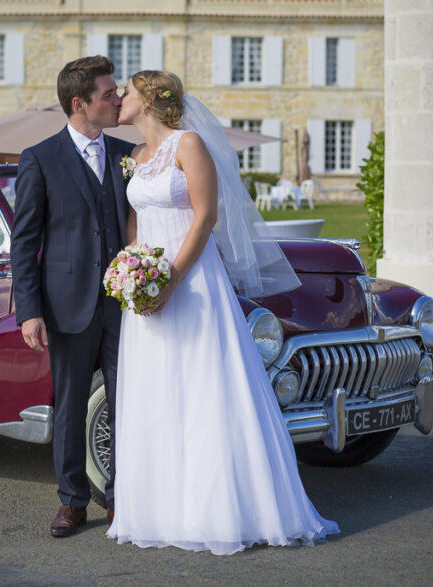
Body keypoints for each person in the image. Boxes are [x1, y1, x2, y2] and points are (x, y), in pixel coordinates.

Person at [107, 70, 340, 555]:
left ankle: (223, 511)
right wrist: (134, 274)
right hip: (148, 286)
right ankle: (162, 510)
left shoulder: (188, 144)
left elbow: (205, 216)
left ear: (149, 99)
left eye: (125, 92)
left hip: (192, 283)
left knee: (204, 386)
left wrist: (169, 279)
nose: (118, 99)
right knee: (156, 390)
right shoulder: (134, 157)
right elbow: (134, 223)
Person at [10, 56, 134, 538]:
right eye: (109, 94)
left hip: (125, 305)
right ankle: (72, 500)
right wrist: (30, 311)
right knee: (70, 405)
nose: (118, 99)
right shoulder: (39, 157)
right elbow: (25, 241)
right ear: (79, 104)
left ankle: (124, 498)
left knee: (129, 402)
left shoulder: (128, 153)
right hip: (65, 305)